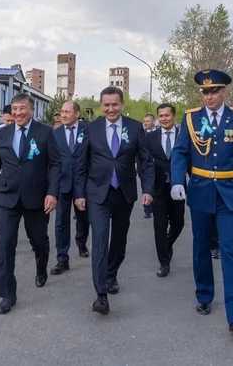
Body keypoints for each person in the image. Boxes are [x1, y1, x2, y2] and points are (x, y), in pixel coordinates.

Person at [170, 69, 233, 335]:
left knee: (232, 251)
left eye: (214, 91)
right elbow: (180, 152)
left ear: (224, 92)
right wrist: (177, 181)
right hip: (201, 191)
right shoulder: (191, 118)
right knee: (201, 247)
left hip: (230, 193)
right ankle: (204, 294)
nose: (209, 97)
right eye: (205, 92)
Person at [74, 87, 155, 315]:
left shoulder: (135, 127)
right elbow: (80, 164)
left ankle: (111, 274)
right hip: (97, 193)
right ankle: (101, 294)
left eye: (115, 104)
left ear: (122, 104)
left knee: (119, 239)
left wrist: (148, 189)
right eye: (106, 105)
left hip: (123, 193)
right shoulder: (91, 128)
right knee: (100, 239)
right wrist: (79, 194)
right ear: (101, 106)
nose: (111, 109)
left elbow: (146, 161)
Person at [0, 94, 62, 314]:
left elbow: (56, 164)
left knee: (39, 240)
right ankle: (7, 294)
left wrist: (52, 193)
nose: (18, 113)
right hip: (6, 197)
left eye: (22, 108)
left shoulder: (45, 132)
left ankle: (41, 265)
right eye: (15, 109)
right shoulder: (2, 133)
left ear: (32, 110)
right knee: (5, 245)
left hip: (36, 197)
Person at [50, 100, 90, 277]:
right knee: (61, 222)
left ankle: (81, 242)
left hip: (84, 183)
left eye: (67, 112)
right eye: (62, 112)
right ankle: (62, 258)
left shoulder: (87, 131)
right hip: (62, 183)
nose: (63, 115)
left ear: (77, 114)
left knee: (83, 217)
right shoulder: (55, 134)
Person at [145, 103, 186, 278]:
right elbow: (145, 163)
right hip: (158, 188)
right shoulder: (150, 137)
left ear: (174, 116)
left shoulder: (183, 135)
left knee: (178, 223)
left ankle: (167, 244)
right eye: (161, 116)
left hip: (178, 188)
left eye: (167, 115)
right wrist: (147, 189)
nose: (164, 119)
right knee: (159, 225)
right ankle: (164, 262)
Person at [141, 113, 157, 219]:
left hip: (157, 165)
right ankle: (147, 209)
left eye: (148, 121)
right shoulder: (141, 134)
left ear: (153, 122)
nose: (145, 123)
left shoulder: (159, 133)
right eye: (144, 121)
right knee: (146, 186)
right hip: (144, 166)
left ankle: (157, 207)